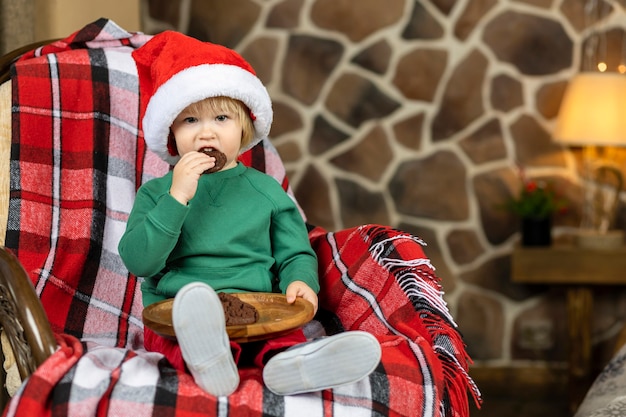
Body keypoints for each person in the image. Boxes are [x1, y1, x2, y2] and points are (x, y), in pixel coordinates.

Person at [118, 31, 381, 397]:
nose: (205, 132)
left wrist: (300, 280)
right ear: (171, 132)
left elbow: (295, 252)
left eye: (221, 118)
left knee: (280, 336)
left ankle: (292, 365)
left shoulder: (266, 190)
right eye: (190, 121)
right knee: (178, 338)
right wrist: (177, 197)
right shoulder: (157, 193)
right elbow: (139, 261)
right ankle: (209, 361)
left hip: (257, 307)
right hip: (180, 310)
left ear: (244, 128)